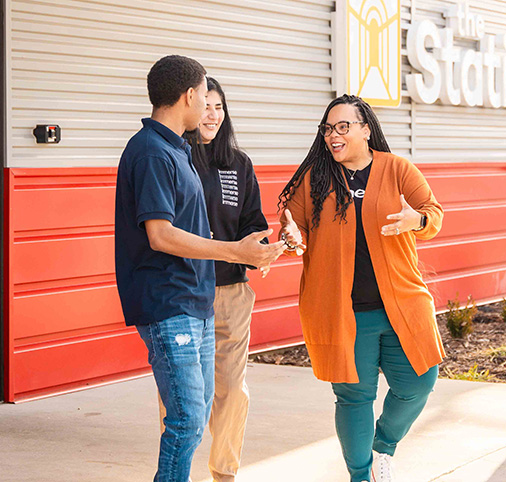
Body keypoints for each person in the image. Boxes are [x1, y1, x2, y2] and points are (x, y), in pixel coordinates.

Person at [114, 55, 285, 482]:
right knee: (187, 418)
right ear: (189, 96)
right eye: (203, 96)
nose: (208, 107)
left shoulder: (176, 148)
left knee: (201, 406)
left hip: (197, 301)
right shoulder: (153, 152)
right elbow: (161, 235)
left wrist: (255, 247)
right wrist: (234, 252)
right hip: (169, 302)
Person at [278, 94, 445, 482]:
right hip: (345, 311)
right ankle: (360, 475)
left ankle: (382, 445)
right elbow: (293, 226)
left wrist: (416, 220)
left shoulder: (397, 169)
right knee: (354, 399)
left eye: (342, 127)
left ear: (366, 129)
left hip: (401, 303)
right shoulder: (314, 179)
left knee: (419, 383)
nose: (332, 135)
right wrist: (290, 235)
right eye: (327, 129)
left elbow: (433, 214)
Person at [156, 76, 268, 482]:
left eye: (219, 107)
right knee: (185, 397)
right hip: (185, 296)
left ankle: (224, 471)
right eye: (206, 105)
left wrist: (273, 242)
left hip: (232, 293)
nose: (213, 114)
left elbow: (254, 224)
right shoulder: (175, 158)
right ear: (190, 105)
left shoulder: (238, 165)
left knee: (232, 391)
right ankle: (179, 462)